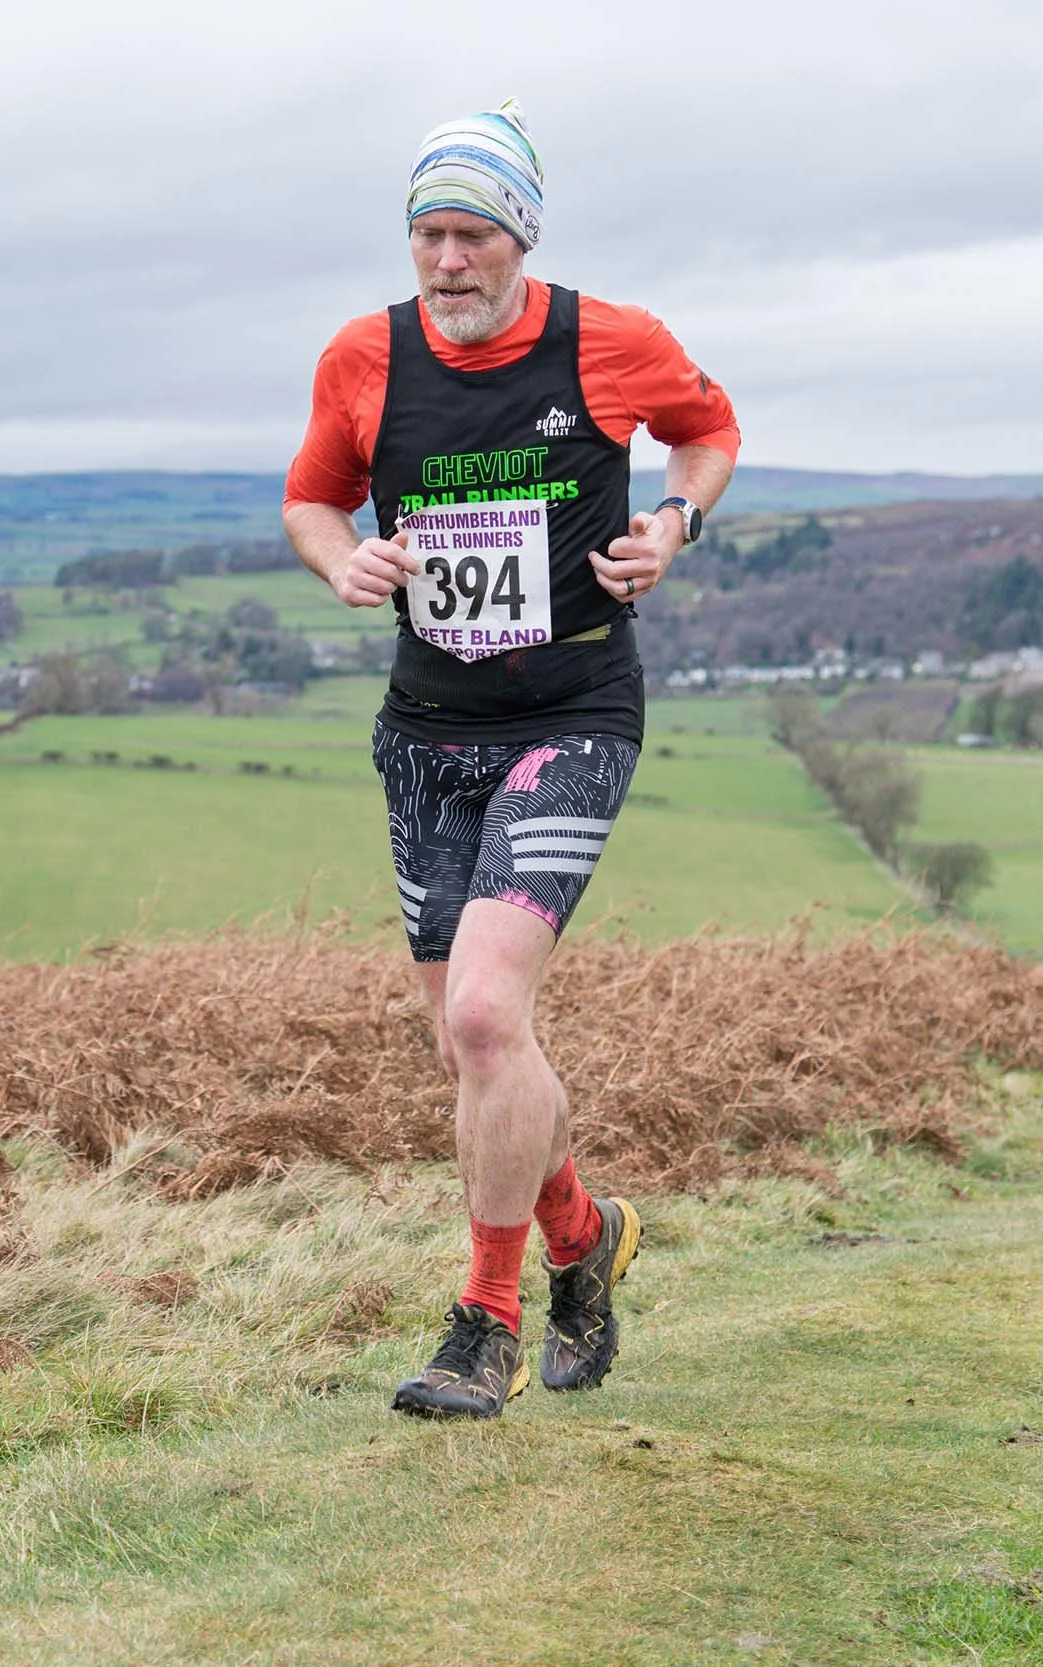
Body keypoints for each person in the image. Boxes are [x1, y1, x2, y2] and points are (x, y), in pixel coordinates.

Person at [282, 101, 739, 1419]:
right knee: (469, 1041)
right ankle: (585, 1236)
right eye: (427, 234)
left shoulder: (613, 342)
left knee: (487, 1011)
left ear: (519, 239)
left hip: (573, 710)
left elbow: (710, 434)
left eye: (472, 235)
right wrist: (343, 559)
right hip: (428, 729)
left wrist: (674, 522)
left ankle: (481, 1322)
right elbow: (312, 498)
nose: (446, 261)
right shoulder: (364, 359)